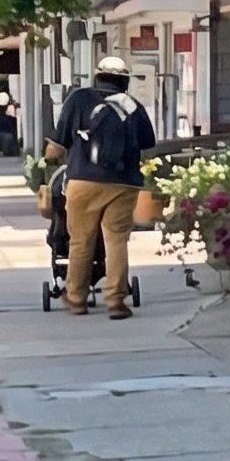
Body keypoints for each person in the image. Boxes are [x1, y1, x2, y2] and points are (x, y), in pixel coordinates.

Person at [45, 56, 156, 319]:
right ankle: (116, 301)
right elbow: (147, 141)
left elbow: (56, 146)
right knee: (116, 240)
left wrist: (50, 158)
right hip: (123, 183)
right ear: (124, 80)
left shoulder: (78, 99)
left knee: (80, 241)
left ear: (98, 76)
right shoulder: (133, 105)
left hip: (83, 181)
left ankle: (76, 298)